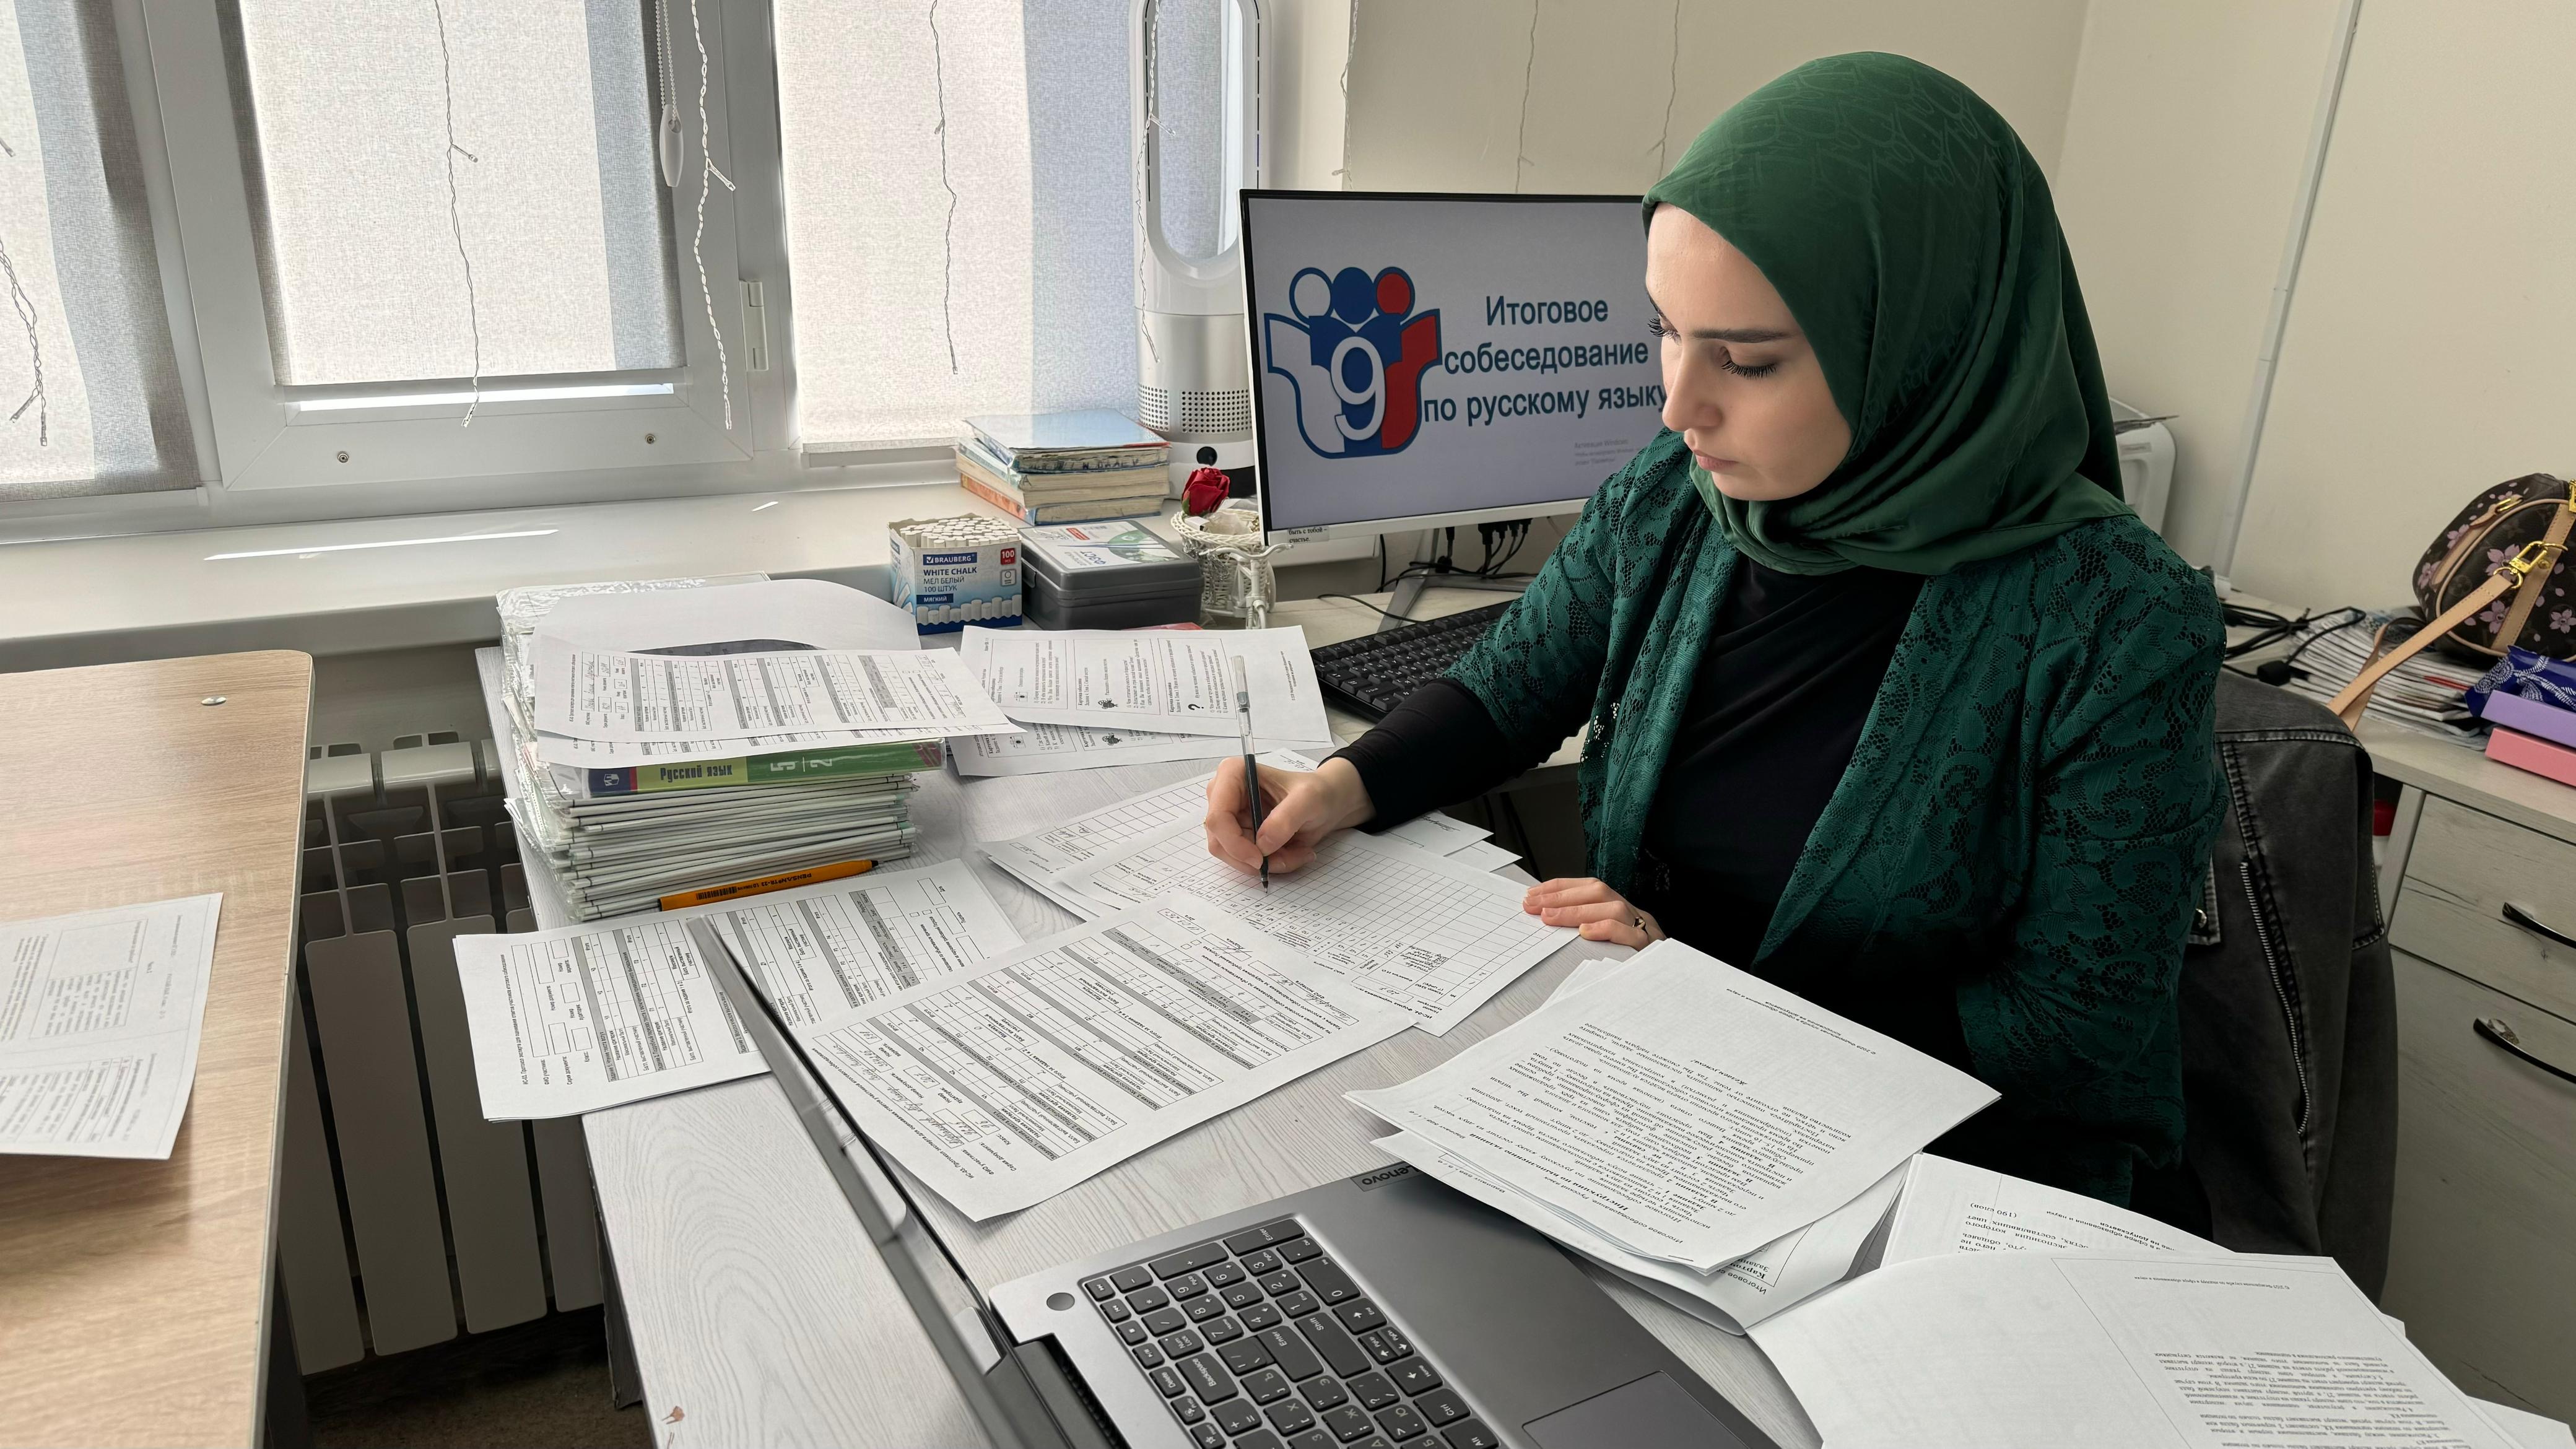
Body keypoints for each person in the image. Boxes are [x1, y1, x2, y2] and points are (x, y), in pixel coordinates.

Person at [1204, 53, 2224, 1209]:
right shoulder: (1682, 497)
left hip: (1950, 1185)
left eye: (1746, 360)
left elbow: (2068, 1041)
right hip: (1667, 1110)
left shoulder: (2119, 622)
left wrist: (1700, 998)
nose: (1679, 404)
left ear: (1918, 347)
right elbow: (1515, 682)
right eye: (1667, 332)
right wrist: (1339, 788)